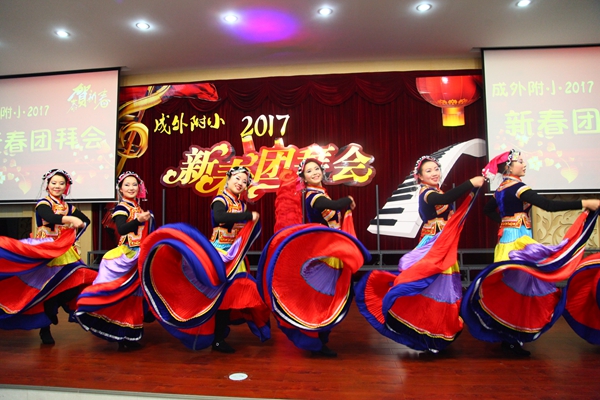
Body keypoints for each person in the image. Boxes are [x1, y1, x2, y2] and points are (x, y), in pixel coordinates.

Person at [463, 149, 599, 356]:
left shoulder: (501, 188)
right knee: (521, 289)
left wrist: (505, 222)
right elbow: (548, 205)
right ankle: (511, 338)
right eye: (520, 161)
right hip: (518, 243)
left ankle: (508, 337)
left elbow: (487, 210)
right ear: (508, 167)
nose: (524, 164)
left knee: (509, 289)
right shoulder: (518, 187)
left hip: (505, 242)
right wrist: (584, 203)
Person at [355, 155, 484, 353]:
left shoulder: (436, 191)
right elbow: (444, 200)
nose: (434, 173)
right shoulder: (427, 193)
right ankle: (425, 332)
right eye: (429, 171)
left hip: (443, 245)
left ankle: (435, 331)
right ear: (420, 177)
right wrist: (470, 183)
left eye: (436, 169)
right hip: (433, 246)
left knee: (441, 288)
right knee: (430, 286)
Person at [0, 169, 96, 345]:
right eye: (54, 183)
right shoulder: (43, 203)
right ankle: (46, 327)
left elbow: (86, 221)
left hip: (65, 252)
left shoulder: (68, 207)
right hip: (46, 252)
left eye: (61, 183)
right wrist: (70, 220)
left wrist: (73, 231)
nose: (57, 186)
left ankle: (56, 308)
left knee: (79, 279)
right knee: (46, 290)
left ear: (66, 187)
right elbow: (49, 217)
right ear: (47, 185)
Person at [75, 171, 153, 351]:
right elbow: (122, 229)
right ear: (120, 189)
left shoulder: (137, 207)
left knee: (133, 298)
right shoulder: (121, 208)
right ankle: (120, 336)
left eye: (134, 185)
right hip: (127, 256)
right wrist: (138, 220)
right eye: (127, 185)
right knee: (121, 295)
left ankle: (128, 335)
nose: (131, 188)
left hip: (138, 255)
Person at [209, 166, 270, 353]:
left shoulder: (241, 205)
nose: (240, 183)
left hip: (235, 256)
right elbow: (220, 217)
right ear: (228, 179)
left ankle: (219, 336)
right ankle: (216, 338)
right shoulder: (220, 200)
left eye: (244, 181)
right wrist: (248, 215)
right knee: (220, 296)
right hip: (219, 255)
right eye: (237, 178)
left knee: (233, 295)